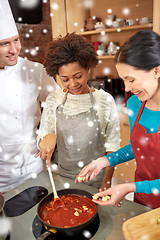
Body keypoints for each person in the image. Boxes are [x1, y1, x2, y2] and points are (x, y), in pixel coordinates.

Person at [76, 30, 160, 209]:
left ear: (156, 70)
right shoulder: (135, 105)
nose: (127, 88)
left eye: (131, 80)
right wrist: (105, 161)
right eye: (124, 80)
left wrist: (129, 187)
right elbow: (137, 146)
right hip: (143, 200)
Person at [37, 32, 120, 189]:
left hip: (96, 178)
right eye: (65, 79)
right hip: (62, 178)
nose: (73, 84)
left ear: (88, 69)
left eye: (78, 76)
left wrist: (107, 182)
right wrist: (45, 138)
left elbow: (113, 146)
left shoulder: (104, 100)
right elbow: (45, 134)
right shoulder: (54, 99)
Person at [0, 0, 59, 193]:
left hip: (34, 166)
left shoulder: (34, 70)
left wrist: (49, 132)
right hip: (2, 176)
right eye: (4, 44)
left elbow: (57, 102)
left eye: (16, 40)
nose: (14, 49)